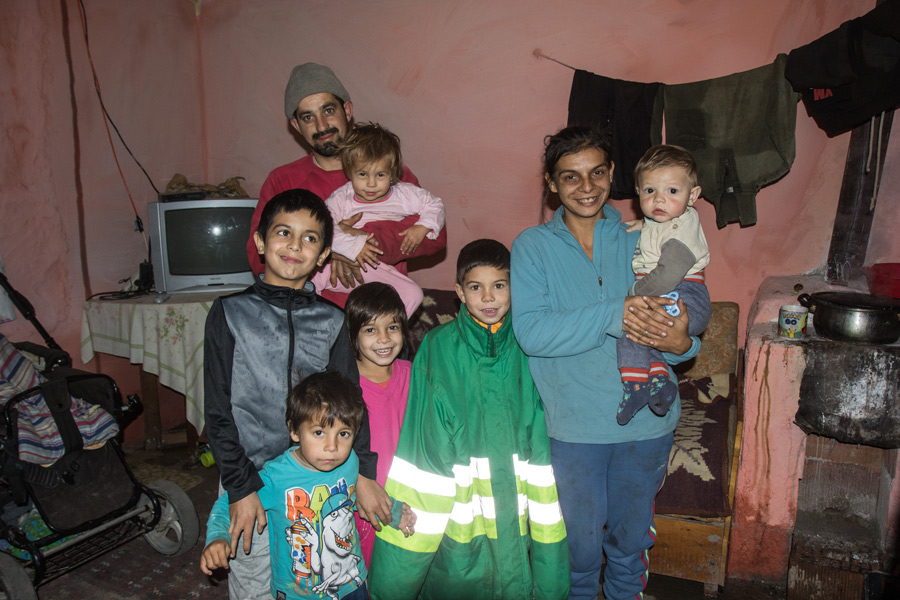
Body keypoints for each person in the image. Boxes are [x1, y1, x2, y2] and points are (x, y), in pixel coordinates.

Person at [510, 125, 701, 600]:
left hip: (646, 426)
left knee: (629, 545)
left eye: (597, 172)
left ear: (613, 173)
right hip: (572, 427)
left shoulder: (645, 235)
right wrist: (616, 312)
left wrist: (684, 345)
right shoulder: (532, 247)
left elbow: (682, 322)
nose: (586, 186)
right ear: (551, 183)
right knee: (577, 550)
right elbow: (533, 334)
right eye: (570, 176)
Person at [204, 189, 389, 600]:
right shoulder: (229, 314)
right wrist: (240, 487)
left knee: (317, 577)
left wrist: (363, 472)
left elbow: (351, 404)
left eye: (309, 238)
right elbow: (217, 409)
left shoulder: (332, 320)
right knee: (253, 582)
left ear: (323, 255)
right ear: (259, 242)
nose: (294, 245)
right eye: (283, 232)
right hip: (250, 475)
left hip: (317, 479)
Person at [367, 239, 570, 600]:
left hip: (520, 516)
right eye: (476, 287)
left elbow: (542, 441)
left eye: (499, 285)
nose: (488, 297)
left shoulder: (530, 344)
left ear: (515, 287)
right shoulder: (438, 347)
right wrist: (393, 584)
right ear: (460, 292)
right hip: (461, 532)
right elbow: (425, 456)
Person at [201, 371, 416, 600]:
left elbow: (356, 500)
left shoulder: (350, 462)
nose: (332, 446)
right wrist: (218, 538)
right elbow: (229, 502)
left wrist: (394, 513)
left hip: (352, 583)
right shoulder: (277, 476)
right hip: (298, 594)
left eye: (343, 434)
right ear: (294, 430)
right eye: (319, 432)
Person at [248, 62, 445, 292]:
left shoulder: (387, 172)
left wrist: (357, 241)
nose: (322, 125)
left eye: (328, 111)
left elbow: (434, 237)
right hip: (311, 309)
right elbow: (258, 257)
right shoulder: (282, 181)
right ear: (296, 126)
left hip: (383, 307)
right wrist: (330, 251)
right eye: (308, 117)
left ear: (348, 110)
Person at [615, 144, 712, 425]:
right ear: (637, 191)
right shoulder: (669, 220)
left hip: (683, 293)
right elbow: (661, 229)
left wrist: (634, 294)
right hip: (675, 293)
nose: (659, 199)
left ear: (692, 195)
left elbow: (668, 274)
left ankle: (637, 387)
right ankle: (656, 384)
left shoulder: (683, 231)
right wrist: (644, 225)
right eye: (649, 191)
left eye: (672, 191)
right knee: (642, 337)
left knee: (632, 325)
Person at [310, 123, 445, 317]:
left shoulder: (404, 194)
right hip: (337, 267)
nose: (371, 184)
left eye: (380, 175)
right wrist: (353, 247)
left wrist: (423, 226)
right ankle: (299, 319)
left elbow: (435, 204)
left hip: (377, 269)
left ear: (392, 173)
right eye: (362, 174)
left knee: (414, 294)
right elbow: (322, 227)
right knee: (306, 278)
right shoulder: (341, 198)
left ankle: (385, 328)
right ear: (349, 171)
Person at [343, 282, 413, 567]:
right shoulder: (341, 389)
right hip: (364, 509)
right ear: (353, 336)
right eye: (370, 330)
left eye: (392, 327)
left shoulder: (416, 377)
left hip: (413, 505)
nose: (384, 339)